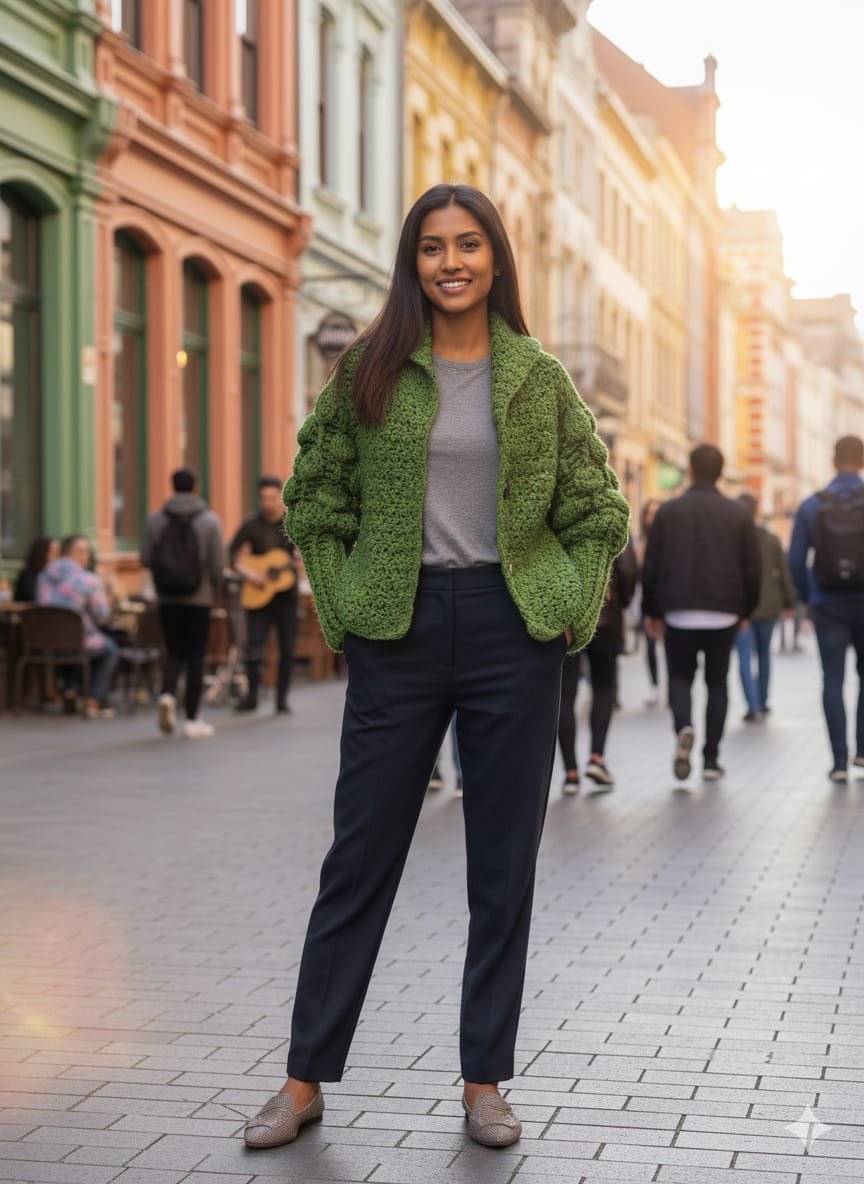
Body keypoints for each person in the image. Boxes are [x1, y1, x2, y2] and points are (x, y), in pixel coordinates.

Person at [242, 183, 629, 1152]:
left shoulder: (536, 376)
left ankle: (485, 1080)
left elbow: (600, 511)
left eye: (468, 245)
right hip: (398, 630)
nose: (450, 261)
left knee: (503, 869)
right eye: (431, 247)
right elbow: (314, 494)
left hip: (513, 629)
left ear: (496, 257)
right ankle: (301, 1079)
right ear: (411, 262)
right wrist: (344, 606)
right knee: (357, 858)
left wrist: (566, 608)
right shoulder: (372, 368)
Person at [642, 444, 760, 782]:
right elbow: (752, 567)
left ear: (690, 471)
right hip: (724, 611)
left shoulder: (668, 512)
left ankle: (684, 726)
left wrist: (652, 610)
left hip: (678, 611)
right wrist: (746, 610)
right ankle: (711, 759)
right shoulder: (738, 514)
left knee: (680, 678)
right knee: (717, 683)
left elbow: (652, 565)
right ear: (721, 473)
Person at [789, 435, 864, 782]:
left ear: (833, 462)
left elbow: (795, 559)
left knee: (831, 679)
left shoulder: (812, 505)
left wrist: (808, 595)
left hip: (827, 602)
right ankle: (863, 751)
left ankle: (838, 762)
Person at [141, 468, 225, 739]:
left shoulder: (156, 520)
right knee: (196, 655)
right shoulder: (209, 521)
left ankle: (167, 694)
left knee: (174, 650)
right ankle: (192, 718)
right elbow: (217, 564)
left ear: (172, 486)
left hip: (166, 598)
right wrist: (215, 590)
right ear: (195, 487)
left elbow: (145, 558)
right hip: (198, 599)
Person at [558, 538, 638, 793]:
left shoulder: (560, 508)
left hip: (567, 619)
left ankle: (570, 773)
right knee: (603, 689)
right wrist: (619, 603)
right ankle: (596, 758)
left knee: (565, 695)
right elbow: (627, 570)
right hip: (606, 619)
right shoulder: (611, 511)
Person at [230, 476, 299, 714]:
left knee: (287, 649)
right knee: (252, 647)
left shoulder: (291, 524)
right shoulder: (250, 525)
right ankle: (252, 696)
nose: (267, 503)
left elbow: (300, 556)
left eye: (271, 498)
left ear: (279, 498)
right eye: (263, 498)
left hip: (285, 597)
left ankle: (282, 699)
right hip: (258, 596)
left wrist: (300, 560)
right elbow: (231, 553)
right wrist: (249, 573)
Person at [37, 535, 119, 719]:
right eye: (81, 551)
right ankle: (93, 700)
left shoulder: (43, 576)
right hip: (78, 641)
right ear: (69, 553)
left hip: (45, 641)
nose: (86, 556)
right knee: (109, 649)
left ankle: (69, 691)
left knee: (77, 642)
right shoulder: (88, 579)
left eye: (87, 551)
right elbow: (102, 614)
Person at [734, 493, 796, 722]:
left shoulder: (733, 539)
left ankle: (752, 706)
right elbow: (784, 572)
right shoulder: (770, 539)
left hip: (742, 609)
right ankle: (762, 700)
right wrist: (789, 601)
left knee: (743, 656)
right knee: (763, 654)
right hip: (769, 606)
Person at [638, 499, 663, 706]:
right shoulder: (640, 541)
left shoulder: (671, 540)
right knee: (650, 645)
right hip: (645, 599)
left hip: (666, 600)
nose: (652, 518)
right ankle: (655, 685)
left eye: (657, 513)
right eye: (649, 513)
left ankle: (670, 688)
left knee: (670, 646)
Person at [14, 536, 59, 602]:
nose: (57, 556)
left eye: (58, 552)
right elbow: (31, 599)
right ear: (41, 553)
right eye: (53, 552)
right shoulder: (29, 575)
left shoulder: (61, 574)